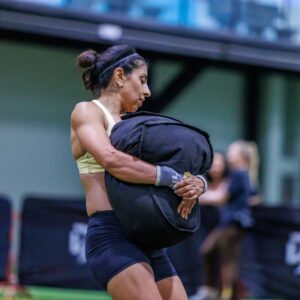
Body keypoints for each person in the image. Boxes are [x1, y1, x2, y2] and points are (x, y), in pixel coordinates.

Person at [70, 44, 207, 300]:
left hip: (148, 239)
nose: (148, 91)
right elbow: (111, 159)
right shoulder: (87, 111)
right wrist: (170, 178)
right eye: (142, 80)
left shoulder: (133, 125)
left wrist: (196, 184)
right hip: (111, 236)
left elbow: (174, 168)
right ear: (120, 76)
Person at [189, 151, 252, 300]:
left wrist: (196, 196)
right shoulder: (241, 174)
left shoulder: (239, 174)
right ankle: (212, 290)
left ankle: (227, 295)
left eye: (233, 152)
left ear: (240, 156)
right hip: (228, 223)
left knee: (228, 261)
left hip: (233, 223)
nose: (230, 155)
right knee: (208, 251)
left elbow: (222, 198)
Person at [227, 140, 261, 206]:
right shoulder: (240, 173)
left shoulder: (240, 174)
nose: (228, 154)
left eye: (231, 152)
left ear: (241, 156)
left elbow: (225, 197)